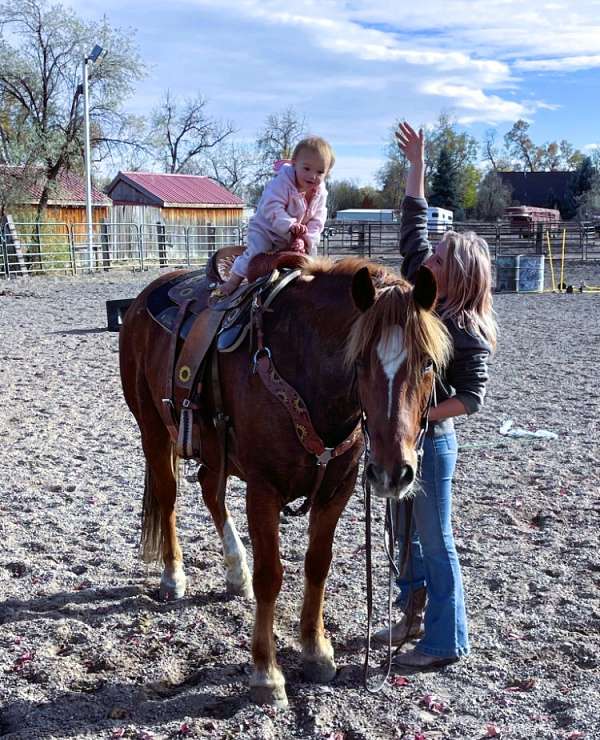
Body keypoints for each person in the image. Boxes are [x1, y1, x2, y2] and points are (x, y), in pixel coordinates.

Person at [372, 121, 497, 669]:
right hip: (405, 438)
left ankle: (447, 640)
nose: (430, 260)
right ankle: (411, 615)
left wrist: (419, 418)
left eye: (441, 260)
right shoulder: (424, 297)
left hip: (433, 443)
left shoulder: (463, 327)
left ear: (460, 277)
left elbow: (472, 399)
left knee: (436, 540)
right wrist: (417, 167)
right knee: (404, 538)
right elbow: (413, 228)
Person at [216, 136, 335, 296]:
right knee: (258, 250)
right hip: (267, 229)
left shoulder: (321, 193)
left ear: (327, 173)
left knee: (310, 261)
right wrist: (290, 226)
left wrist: (305, 239)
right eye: (307, 169)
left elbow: (318, 219)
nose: (313, 176)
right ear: (294, 164)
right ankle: (234, 280)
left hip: (296, 236)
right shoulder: (282, 183)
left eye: (320, 172)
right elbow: (272, 206)